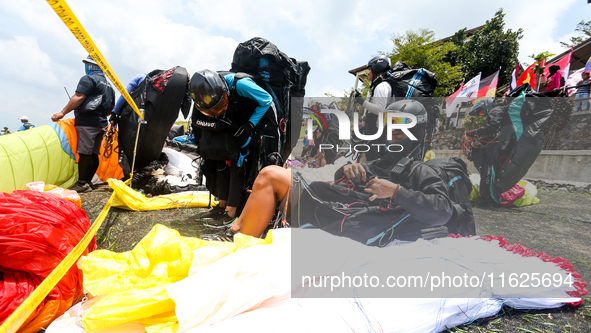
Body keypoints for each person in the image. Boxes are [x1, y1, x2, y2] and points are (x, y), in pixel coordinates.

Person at [204, 127, 471, 245]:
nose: (392, 138)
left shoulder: (421, 169)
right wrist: (349, 170)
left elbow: (442, 210)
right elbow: (343, 181)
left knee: (271, 175)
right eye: (390, 132)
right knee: (271, 176)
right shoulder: (380, 162)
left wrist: (397, 191)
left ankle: (241, 245)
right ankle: (237, 231)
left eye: (399, 133)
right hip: (340, 207)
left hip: (351, 219)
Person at [190, 69, 273, 227]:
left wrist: (250, 125)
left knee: (237, 164)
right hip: (229, 126)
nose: (216, 111)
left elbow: (266, 100)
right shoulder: (200, 95)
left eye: (219, 105)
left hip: (248, 125)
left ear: (223, 90)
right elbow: (197, 120)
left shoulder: (240, 85)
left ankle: (230, 213)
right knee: (221, 161)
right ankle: (222, 206)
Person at [51, 55, 115, 193]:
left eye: (87, 64)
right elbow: (111, 109)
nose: (85, 66)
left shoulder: (88, 79)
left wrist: (62, 113)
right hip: (102, 124)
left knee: (84, 153)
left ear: (92, 66)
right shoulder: (109, 86)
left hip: (87, 123)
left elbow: (79, 97)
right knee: (94, 154)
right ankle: (89, 182)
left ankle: (81, 184)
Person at [353, 55, 393, 160]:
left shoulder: (381, 86)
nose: (368, 73)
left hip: (378, 137)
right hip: (375, 135)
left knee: (374, 165)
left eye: (370, 69)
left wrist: (361, 101)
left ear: (377, 69)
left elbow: (380, 110)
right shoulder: (380, 86)